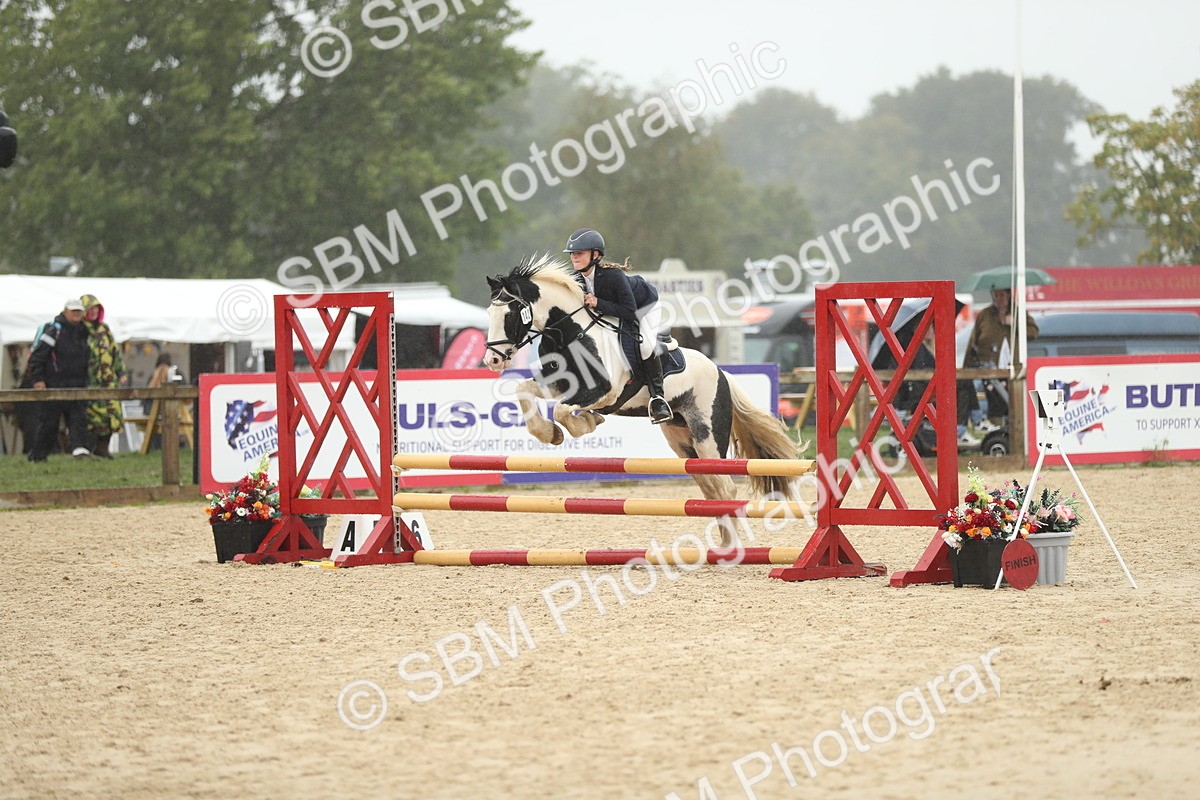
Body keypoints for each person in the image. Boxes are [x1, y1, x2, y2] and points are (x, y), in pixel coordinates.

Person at [563, 227, 673, 424]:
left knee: (645, 344)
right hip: (617, 310)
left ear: (595, 255)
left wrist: (598, 303)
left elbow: (630, 312)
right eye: (572, 254)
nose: (574, 257)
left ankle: (658, 398)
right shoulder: (577, 279)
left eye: (579, 253)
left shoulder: (613, 276)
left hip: (644, 307)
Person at [961, 286, 1040, 431]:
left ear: (1009, 296)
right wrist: (966, 367)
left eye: (1002, 295)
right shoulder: (985, 315)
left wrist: (1015, 324)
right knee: (993, 403)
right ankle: (995, 432)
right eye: (996, 295)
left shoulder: (1019, 313)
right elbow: (974, 340)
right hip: (988, 368)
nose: (999, 299)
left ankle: (1015, 433)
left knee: (1014, 404)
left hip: (1013, 368)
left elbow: (1033, 333)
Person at [26, 298, 93, 461]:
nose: (76, 314)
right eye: (73, 311)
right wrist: (38, 380)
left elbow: (86, 360)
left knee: (79, 420)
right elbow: (37, 357)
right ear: (65, 312)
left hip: (77, 385)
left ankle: (80, 451)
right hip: (53, 385)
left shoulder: (84, 332)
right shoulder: (54, 330)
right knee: (49, 425)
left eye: (79, 311)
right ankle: (38, 456)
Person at [80, 294, 126, 458]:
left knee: (111, 415)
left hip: (109, 381)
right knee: (93, 417)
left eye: (95, 309)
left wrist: (121, 372)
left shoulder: (104, 329)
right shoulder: (80, 329)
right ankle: (90, 449)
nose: (92, 312)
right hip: (90, 381)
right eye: (89, 309)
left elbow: (115, 352)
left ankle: (103, 448)